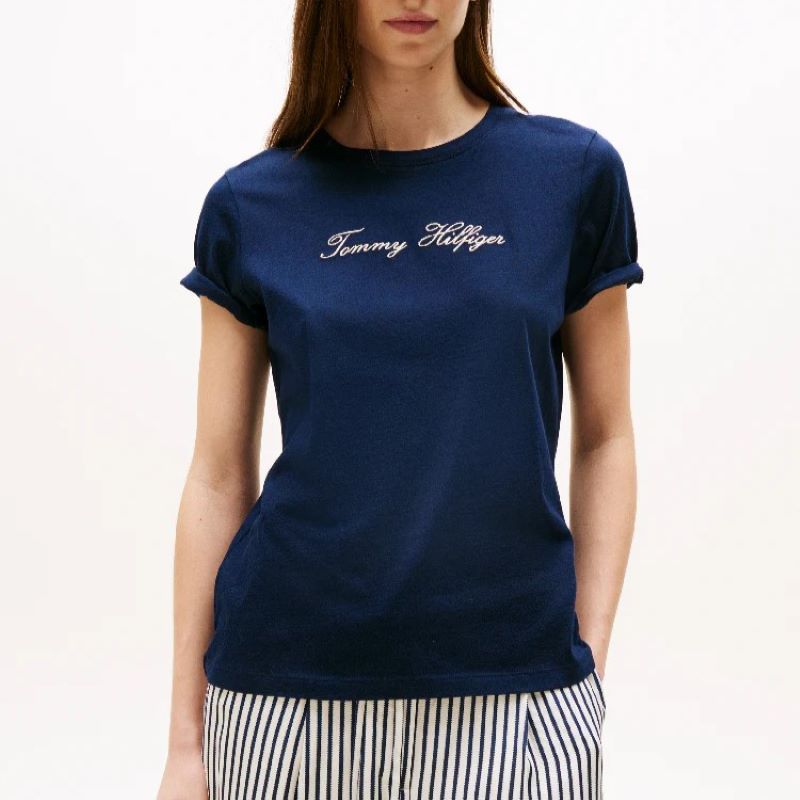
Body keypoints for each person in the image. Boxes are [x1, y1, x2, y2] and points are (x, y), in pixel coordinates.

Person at [157, 1, 643, 798]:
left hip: (517, 698)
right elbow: (217, 474)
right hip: (282, 697)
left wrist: (586, 661)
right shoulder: (252, 205)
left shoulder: (571, 177)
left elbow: (606, 435)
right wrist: (186, 741)